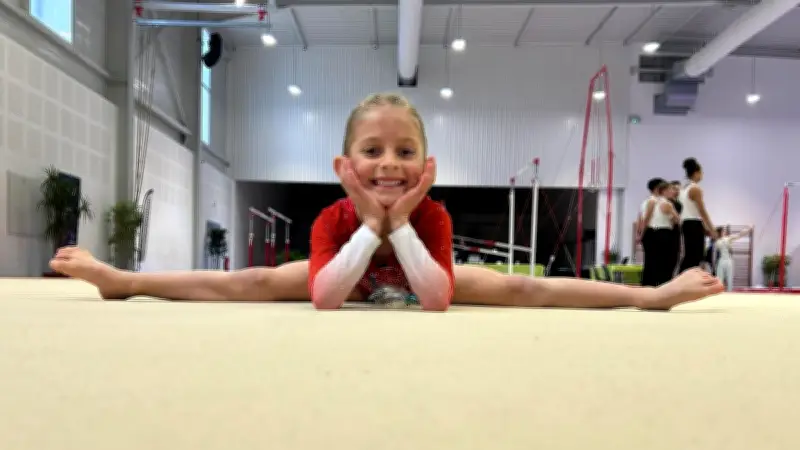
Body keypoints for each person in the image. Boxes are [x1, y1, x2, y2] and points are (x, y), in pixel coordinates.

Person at [50, 93, 724, 311]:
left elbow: (434, 300)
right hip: (347, 257)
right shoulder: (329, 217)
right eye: (372, 152)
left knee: (521, 287)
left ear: (425, 167)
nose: (389, 164)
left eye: (405, 153)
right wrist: (368, 225)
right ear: (345, 166)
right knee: (250, 279)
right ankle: (125, 281)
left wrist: (397, 225)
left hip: (422, 266)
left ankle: (646, 298)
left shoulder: (431, 214)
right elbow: (326, 298)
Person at [678, 158, 717, 273]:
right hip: (693, 224)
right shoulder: (695, 189)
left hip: (687, 224)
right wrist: (712, 228)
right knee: (694, 256)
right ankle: (681, 281)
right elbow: (702, 211)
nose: (702, 175)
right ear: (696, 173)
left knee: (692, 255)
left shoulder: (684, 188)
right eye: (702, 172)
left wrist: (704, 228)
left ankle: (683, 282)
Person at [640, 181, 680, 286]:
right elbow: (677, 219)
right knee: (663, 263)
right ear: (664, 191)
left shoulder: (652, 201)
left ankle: (648, 286)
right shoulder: (667, 204)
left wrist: (641, 234)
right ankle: (662, 287)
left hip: (651, 233)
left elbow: (645, 219)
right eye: (671, 189)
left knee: (650, 263)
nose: (673, 191)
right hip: (664, 233)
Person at [637, 177, 665, 287]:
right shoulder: (654, 201)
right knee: (653, 261)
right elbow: (646, 219)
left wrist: (639, 234)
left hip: (648, 232)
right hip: (651, 232)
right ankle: (650, 284)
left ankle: (648, 283)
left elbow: (640, 218)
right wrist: (642, 234)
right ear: (657, 188)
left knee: (650, 260)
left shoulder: (645, 202)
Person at [714, 226, 751, 291]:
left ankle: (722, 294)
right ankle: (727, 293)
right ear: (722, 231)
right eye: (724, 230)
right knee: (728, 279)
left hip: (723, 261)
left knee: (721, 280)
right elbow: (740, 234)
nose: (725, 231)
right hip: (726, 261)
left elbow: (739, 235)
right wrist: (749, 229)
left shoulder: (717, 241)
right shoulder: (726, 239)